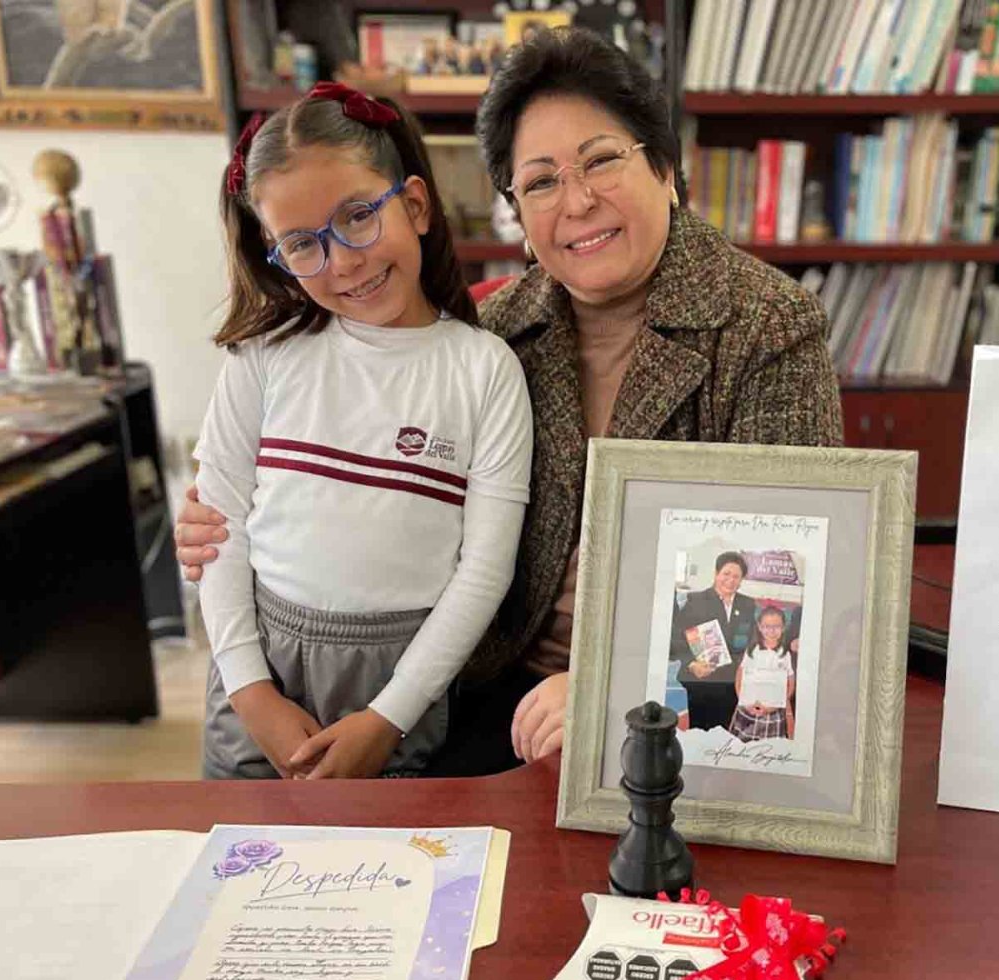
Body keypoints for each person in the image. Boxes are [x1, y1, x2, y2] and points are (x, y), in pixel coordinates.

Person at [174, 29, 843, 773]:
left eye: (600, 161)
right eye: (542, 182)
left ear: (663, 165)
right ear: (515, 212)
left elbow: (788, 593)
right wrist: (223, 518)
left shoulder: (767, 328)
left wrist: (613, 684)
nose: (579, 201)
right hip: (489, 691)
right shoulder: (499, 331)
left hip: (682, 703)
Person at [196, 81, 532, 780]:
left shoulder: (484, 369)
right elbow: (217, 526)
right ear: (274, 253)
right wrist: (251, 693)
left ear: (414, 204)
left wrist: (390, 715)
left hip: (403, 682)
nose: (343, 261)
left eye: (357, 217)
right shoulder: (264, 355)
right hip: (258, 663)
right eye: (302, 245)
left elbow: (483, 571)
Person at [668, 553, 756, 732]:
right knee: (700, 732)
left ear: (741, 580)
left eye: (736, 576)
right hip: (701, 680)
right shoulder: (696, 600)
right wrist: (691, 664)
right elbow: (678, 637)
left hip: (731, 681)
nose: (730, 580)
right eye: (726, 574)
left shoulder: (747, 604)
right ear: (716, 573)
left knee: (724, 731)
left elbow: (752, 639)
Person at [729, 606, 795, 743]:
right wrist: (745, 702)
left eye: (776, 626)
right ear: (759, 627)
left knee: (770, 749)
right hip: (749, 709)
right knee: (741, 746)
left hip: (773, 712)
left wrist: (775, 705)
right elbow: (740, 676)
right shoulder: (752, 651)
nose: (771, 631)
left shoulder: (785, 654)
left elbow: (790, 682)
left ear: (783, 627)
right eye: (767, 626)